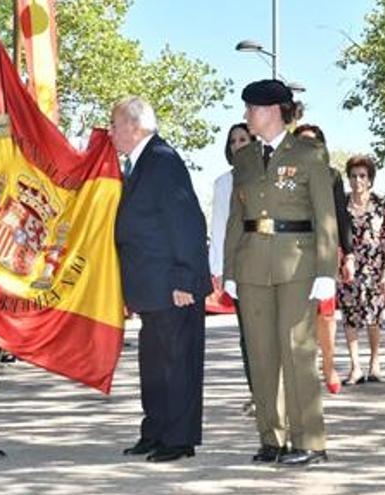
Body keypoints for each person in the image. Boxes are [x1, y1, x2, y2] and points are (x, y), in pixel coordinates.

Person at [223, 79, 338, 466]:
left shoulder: (309, 153)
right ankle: (272, 437)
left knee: (297, 351)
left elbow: (325, 213)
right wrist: (229, 271)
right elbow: (236, 219)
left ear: (273, 110)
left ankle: (310, 441)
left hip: (298, 263)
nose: (246, 116)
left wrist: (326, 269)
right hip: (252, 262)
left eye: (251, 109)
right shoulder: (244, 159)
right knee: (261, 353)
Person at [113, 96, 211, 463]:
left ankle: (179, 438)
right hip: (152, 286)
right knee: (155, 363)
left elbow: (186, 221)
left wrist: (185, 278)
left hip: (174, 284)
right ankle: (155, 430)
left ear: (134, 126)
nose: (111, 132)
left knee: (177, 362)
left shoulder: (162, 161)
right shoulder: (141, 163)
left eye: (114, 124)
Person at [293, 124, 353, 394]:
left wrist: (348, 254)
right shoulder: (284, 175)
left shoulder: (332, 176)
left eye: (312, 142)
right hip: (291, 252)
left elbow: (341, 216)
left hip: (323, 251)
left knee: (325, 313)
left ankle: (329, 364)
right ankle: (303, 368)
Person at [209, 122, 256, 414]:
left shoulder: (266, 176)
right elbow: (218, 227)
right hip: (237, 269)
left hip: (268, 263)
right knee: (248, 335)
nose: (238, 144)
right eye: (234, 140)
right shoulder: (222, 183)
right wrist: (218, 269)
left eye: (243, 138)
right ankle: (257, 392)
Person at [338, 156, 385, 385]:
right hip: (348, 267)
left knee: (374, 316)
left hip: (375, 267)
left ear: (370, 179)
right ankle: (355, 367)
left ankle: (375, 362)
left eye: (362, 176)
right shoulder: (340, 203)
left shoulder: (381, 203)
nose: (357, 180)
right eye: (353, 176)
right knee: (350, 317)